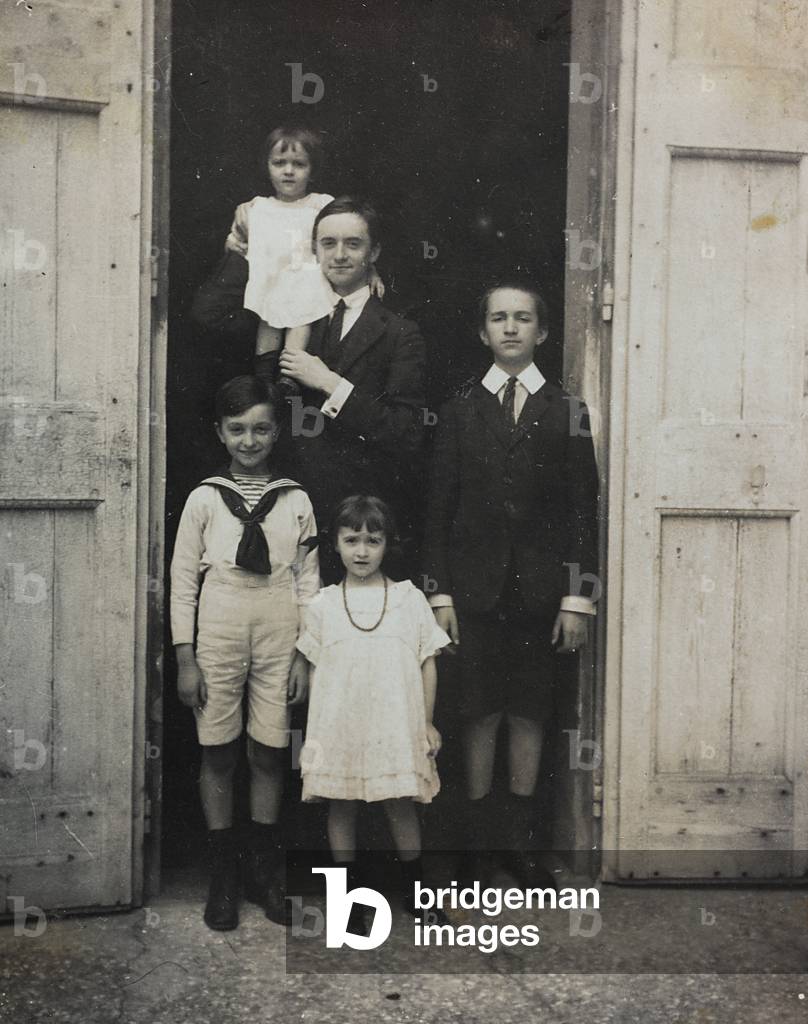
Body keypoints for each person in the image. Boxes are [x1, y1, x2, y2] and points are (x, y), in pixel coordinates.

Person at [421, 281, 599, 885]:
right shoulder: (459, 408)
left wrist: (577, 599)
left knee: (529, 711)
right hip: (472, 593)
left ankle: (519, 842)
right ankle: (475, 846)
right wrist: (438, 593)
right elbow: (437, 507)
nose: (511, 328)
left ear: (542, 332)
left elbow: (582, 510)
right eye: (498, 318)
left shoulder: (567, 409)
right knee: (477, 713)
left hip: (540, 596)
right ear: (482, 331)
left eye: (524, 318)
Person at [192, 195, 427, 582]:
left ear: (374, 252)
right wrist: (239, 250)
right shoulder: (284, 308)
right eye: (328, 243)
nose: (339, 255)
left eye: (353, 244)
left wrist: (331, 384)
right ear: (313, 248)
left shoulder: (400, 333)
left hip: (357, 521)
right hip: (283, 511)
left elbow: (406, 432)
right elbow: (208, 314)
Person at [169, 375, 319, 931]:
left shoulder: (296, 498)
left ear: (277, 431)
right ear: (219, 432)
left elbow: (309, 582)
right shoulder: (204, 498)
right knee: (218, 749)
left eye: (260, 429)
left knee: (269, 749)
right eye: (237, 430)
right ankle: (223, 874)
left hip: (280, 623)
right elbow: (184, 581)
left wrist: (304, 654)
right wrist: (187, 658)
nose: (249, 441)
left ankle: (262, 870)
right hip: (221, 624)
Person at [295, 495, 450, 933]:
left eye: (373, 541)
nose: (361, 551)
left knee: (400, 804)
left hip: (393, 726)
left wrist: (426, 722)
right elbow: (313, 672)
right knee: (341, 807)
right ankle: (349, 902)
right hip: (341, 726)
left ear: (388, 545)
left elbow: (427, 661)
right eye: (351, 540)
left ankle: (418, 895)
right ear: (337, 544)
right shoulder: (323, 605)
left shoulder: (407, 598)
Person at [223, 127, 383, 399]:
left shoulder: (320, 204)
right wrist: (233, 242)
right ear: (267, 166)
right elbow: (238, 242)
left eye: (298, 164)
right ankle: (263, 377)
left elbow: (351, 233)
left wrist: (372, 272)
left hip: (304, 280)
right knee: (268, 322)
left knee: (300, 322)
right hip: (271, 281)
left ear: (313, 170)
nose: (288, 171)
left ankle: (288, 377)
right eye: (279, 163)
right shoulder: (256, 208)